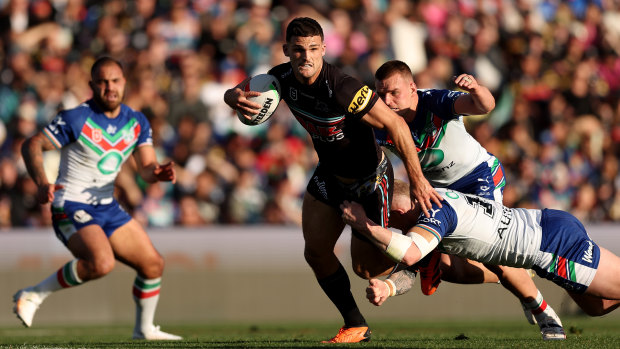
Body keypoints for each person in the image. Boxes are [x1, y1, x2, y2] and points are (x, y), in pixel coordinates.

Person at [224, 17, 442, 343]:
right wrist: (231, 97)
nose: (306, 57)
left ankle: (418, 259)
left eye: (313, 48)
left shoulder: (343, 87)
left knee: (365, 270)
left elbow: (395, 126)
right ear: (287, 51)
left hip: (370, 181)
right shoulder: (279, 79)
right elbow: (238, 91)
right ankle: (355, 324)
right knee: (316, 253)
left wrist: (418, 179)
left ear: (324, 49)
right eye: (298, 50)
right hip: (328, 175)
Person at [372, 60, 564, 339]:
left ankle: (542, 310)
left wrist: (475, 88)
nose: (387, 101)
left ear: (412, 87)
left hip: (478, 179)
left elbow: (485, 106)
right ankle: (431, 260)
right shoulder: (381, 123)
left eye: (394, 93)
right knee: (458, 264)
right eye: (381, 94)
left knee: (494, 255)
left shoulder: (434, 101)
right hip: (439, 192)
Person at [14, 57, 182, 341]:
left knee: (153, 264)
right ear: (92, 85)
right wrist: (42, 182)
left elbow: (146, 167)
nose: (110, 87)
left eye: (115, 81)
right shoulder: (75, 118)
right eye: (102, 82)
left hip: (106, 206)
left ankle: (143, 330)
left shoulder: (137, 121)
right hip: (71, 204)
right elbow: (32, 144)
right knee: (101, 263)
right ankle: (32, 295)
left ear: (124, 83)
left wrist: (158, 172)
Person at [341, 180, 620, 338]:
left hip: (552, 246)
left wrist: (363, 223)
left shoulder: (435, 214)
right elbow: (411, 266)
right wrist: (387, 287)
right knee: (597, 306)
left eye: (392, 219)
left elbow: (411, 252)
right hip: (546, 227)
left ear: (402, 210)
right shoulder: (434, 202)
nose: (395, 227)